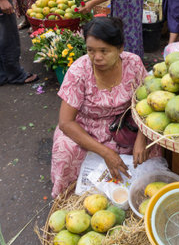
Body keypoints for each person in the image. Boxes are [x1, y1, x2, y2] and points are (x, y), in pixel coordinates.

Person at [50, 17, 149, 197]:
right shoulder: (79, 71)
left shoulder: (133, 64)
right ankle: (68, 200)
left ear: (120, 48)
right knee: (66, 151)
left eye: (104, 51)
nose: (97, 57)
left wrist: (141, 139)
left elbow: (145, 104)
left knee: (150, 152)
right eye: (91, 50)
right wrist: (106, 152)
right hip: (85, 128)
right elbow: (65, 123)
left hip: (124, 126)